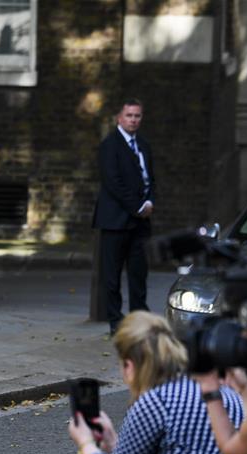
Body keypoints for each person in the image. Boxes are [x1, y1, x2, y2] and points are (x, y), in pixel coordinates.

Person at [67, 311, 247, 454]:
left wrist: (87, 445)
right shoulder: (215, 389)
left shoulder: (154, 403)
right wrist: (116, 446)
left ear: (129, 366)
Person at [93, 99, 156, 335]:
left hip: (140, 222)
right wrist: (138, 206)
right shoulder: (110, 145)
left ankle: (140, 318)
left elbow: (150, 179)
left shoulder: (144, 145)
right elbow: (113, 183)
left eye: (137, 116)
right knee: (112, 275)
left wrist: (150, 201)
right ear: (119, 118)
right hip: (115, 220)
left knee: (139, 273)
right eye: (129, 115)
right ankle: (115, 322)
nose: (133, 120)